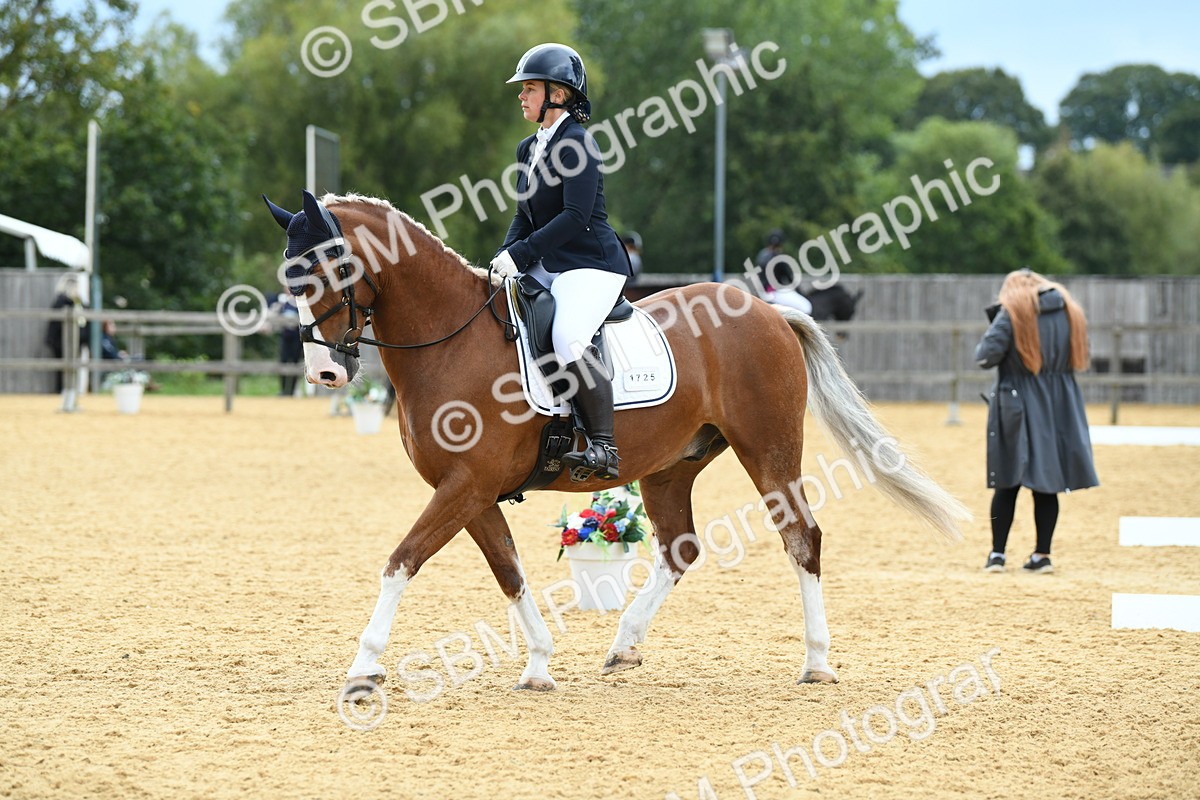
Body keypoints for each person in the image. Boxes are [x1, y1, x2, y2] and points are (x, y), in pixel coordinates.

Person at [490, 43, 632, 481]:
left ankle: (604, 446)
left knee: (569, 336)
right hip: (548, 263)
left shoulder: (579, 145)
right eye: (523, 89)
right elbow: (523, 215)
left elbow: (574, 217)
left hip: (591, 264)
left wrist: (523, 253)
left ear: (559, 93)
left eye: (529, 88)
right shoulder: (527, 148)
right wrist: (502, 255)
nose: (521, 95)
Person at [975, 268, 1098, 574]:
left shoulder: (1013, 312)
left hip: (1017, 400)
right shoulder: (1071, 312)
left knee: (1007, 479)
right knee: (1048, 481)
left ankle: (997, 555)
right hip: (1060, 402)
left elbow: (984, 356)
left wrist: (998, 320)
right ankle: (1042, 555)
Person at [755, 230, 812, 314]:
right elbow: (789, 278)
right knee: (806, 307)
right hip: (776, 292)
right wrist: (802, 294)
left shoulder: (761, 255)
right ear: (781, 244)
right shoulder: (778, 257)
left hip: (762, 292)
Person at [269, 292, 302, 396]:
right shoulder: (282, 302)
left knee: (295, 364)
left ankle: (292, 390)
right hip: (285, 337)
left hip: (297, 338)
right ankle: (283, 390)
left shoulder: (299, 302)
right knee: (283, 362)